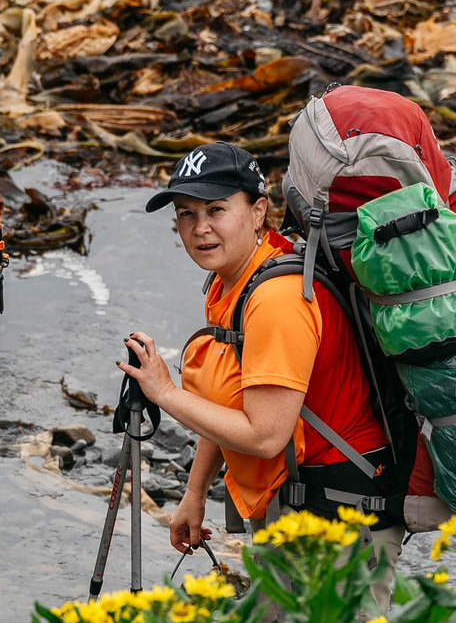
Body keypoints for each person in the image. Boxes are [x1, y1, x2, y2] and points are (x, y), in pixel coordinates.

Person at [116, 142, 404, 562]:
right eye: (186, 213)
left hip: (337, 514)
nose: (200, 229)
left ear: (258, 212)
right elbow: (230, 396)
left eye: (216, 210)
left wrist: (165, 394)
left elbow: (266, 436)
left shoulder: (276, 299)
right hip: (296, 501)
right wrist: (194, 493)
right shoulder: (233, 280)